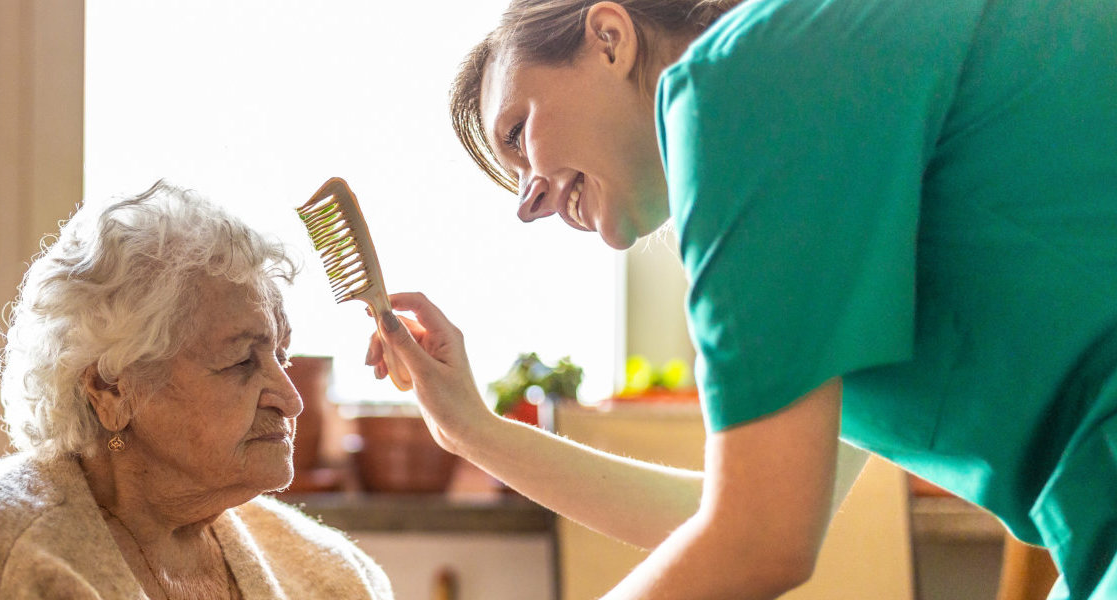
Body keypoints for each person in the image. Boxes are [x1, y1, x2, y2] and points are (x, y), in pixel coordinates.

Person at [364, 0, 1117, 597]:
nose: (528, 201)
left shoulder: (746, 80)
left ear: (608, 37)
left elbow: (758, 540)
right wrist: (472, 432)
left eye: (519, 131)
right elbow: (752, 513)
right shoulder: (810, 158)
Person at [0, 182, 394, 599]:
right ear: (111, 390)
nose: (292, 398)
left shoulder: (335, 577)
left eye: (281, 357)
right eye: (242, 361)